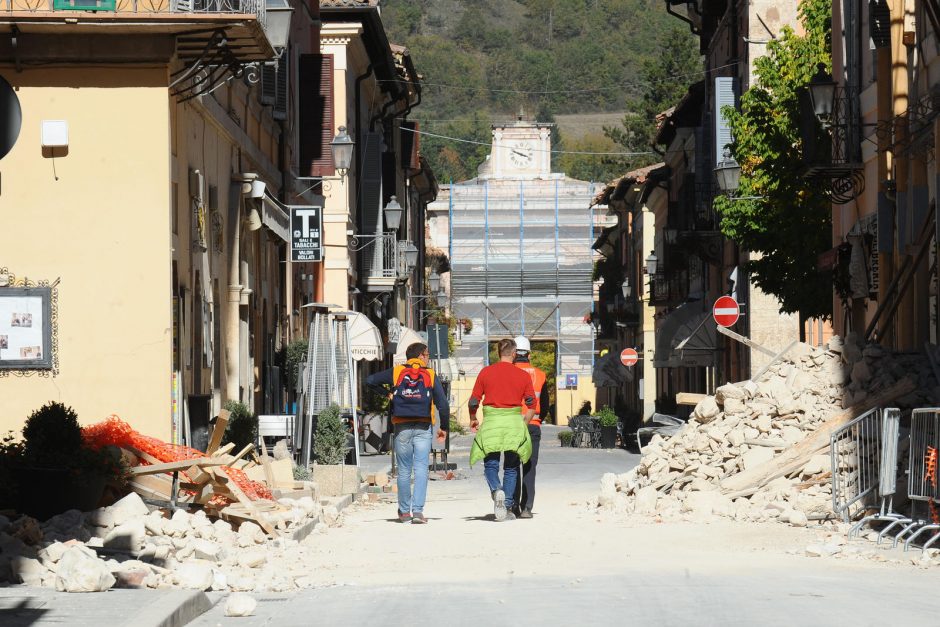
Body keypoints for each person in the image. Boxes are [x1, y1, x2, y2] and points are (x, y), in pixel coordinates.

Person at [366, 342, 449, 524]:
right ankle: (418, 512)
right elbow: (442, 403)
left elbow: (370, 381)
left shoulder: (396, 372)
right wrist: (444, 427)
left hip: (401, 426)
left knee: (404, 470)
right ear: (420, 355)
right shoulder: (429, 373)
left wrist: (388, 393)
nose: (428, 358)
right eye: (427, 355)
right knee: (421, 469)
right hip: (423, 426)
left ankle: (404, 512)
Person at [468, 338, 536, 522]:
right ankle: (505, 506)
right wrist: (524, 423)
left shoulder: (486, 372)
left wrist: (473, 417)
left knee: (490, 464)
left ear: (499, 353)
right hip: (514, 422)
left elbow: (474, 400)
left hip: (492, 422)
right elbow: (531, 405)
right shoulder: (523, 376)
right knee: (511, 467)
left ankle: (496, 489)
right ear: (514, 354)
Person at [512, 336, 549, 519]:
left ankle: (512, 507)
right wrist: (538, 418)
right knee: (529, 467)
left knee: (512, 466)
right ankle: (526, 507)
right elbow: (546, 403)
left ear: (513, 354)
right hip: (533, 425)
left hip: (512, 426)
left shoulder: (507, 372)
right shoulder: (540, 374)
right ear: (529, 354)